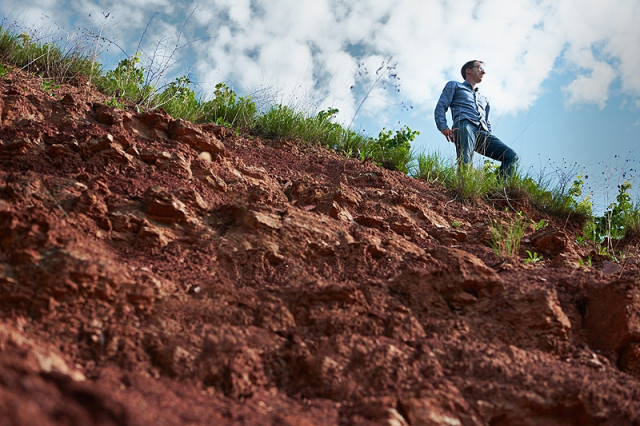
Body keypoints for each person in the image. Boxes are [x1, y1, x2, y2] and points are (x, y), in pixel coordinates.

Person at [434, 60, 518, 178]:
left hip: (482, 132)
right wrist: (443, 127)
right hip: (464, 126)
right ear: (468, 70)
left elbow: (487, 122)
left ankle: (499, 192)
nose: (483, 72)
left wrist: (489, 135)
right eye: (479, 68)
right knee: (465, 159)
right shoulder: (455, 85)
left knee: (511, 156)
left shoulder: (484, 99)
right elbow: (441, 106)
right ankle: (463, 188)